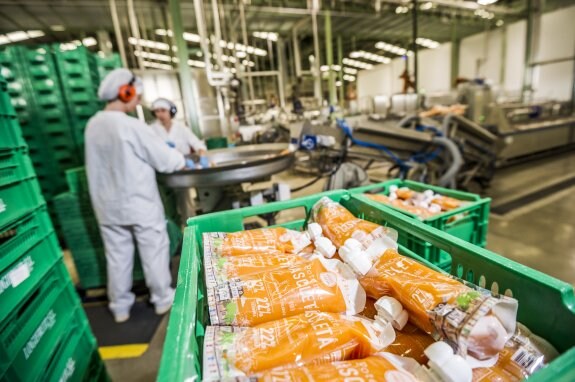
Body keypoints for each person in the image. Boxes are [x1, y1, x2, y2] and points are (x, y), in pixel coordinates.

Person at [85, 69, 196, 323]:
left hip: (106, 206)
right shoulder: (131, 125)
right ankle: (162, 299)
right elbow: (166, 161)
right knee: (154, 251)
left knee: (117, 255)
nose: (138, 100)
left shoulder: (93, 125)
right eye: (136, 95)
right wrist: (180, 160)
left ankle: (120, 306)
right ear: (126, 91)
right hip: (138, 203)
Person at [149, 98, 208, 162]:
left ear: (171, 112)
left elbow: (197, 144)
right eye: (157, 111)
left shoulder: (182, 128)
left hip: (185, 162)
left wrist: (202, 156)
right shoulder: (151, 129)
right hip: (164, 164)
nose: (160, 114)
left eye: (163, 110)